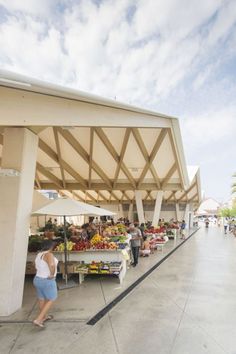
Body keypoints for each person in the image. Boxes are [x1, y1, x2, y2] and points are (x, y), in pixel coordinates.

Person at [33, 240, 58, 328]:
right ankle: (38, 319)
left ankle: (44, 317)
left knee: (41, 299)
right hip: (47, 280)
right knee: (52, 298)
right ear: (50, 246)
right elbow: (51, 265)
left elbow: (35, 266)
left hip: (38, 279)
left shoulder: (39, 254)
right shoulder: (48, 254)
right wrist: (52, 274)